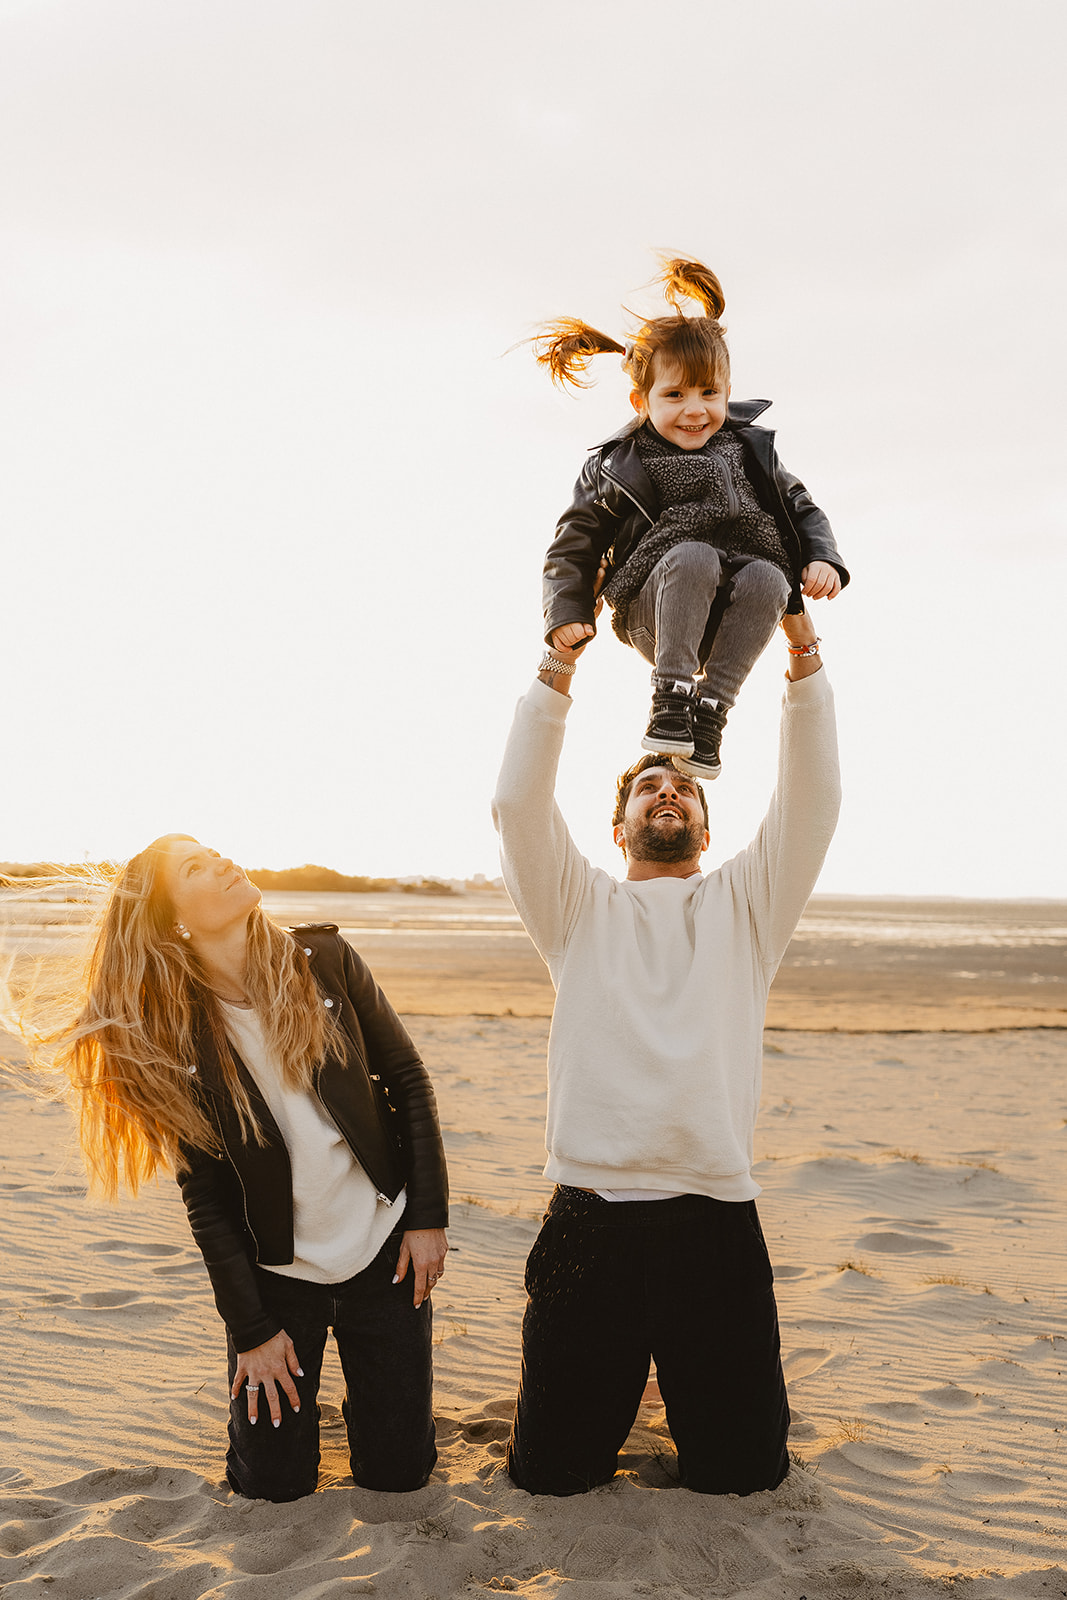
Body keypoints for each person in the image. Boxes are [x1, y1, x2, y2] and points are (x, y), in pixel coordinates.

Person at [491, 611, 840, 1497]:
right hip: (588, 1218)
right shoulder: (576, 912)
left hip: (712, 1220)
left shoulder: (745, 911)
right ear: (618, 832)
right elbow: (516, 807)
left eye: (683, 788)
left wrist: (801, 658)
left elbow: (812, 803)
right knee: (550, 1475)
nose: (667, 793)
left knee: (742, 1476)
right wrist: (554, 674)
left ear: (706, 832)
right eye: (648, 786)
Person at [7, 836, 448, 1502]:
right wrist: (251, 1331)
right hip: (277, 1280)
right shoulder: (172, 1032)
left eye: (215, 851)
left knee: (398, 1474)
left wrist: (427, 1219)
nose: (221, 861)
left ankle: (380, 1412)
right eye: (194, 868)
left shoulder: (324, 961)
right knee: (271, 1486)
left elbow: (407, 1080)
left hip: (382, 1252)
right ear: (174, 918)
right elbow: (205, 1197)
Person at [534, 255, 849, 778]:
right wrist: (566, 611)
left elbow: (800, 504)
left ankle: (710, 713)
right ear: (641, 400)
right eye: (674, 395)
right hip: (655, 611)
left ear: (728, 392)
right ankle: (670, 696)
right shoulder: (617, 465)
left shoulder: (749, 451)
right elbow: (574, 543)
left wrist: (823, 557)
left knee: (771, 576)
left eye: (709, 393)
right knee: (695, 554)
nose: (695, 409)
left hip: (734, 612)